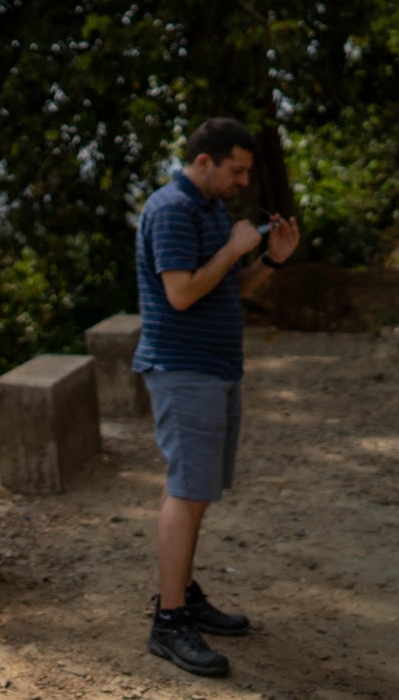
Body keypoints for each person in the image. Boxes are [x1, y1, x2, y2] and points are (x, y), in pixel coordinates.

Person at [132, 118, 300, 677]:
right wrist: (233, 247)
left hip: (215, 370)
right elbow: (181, 294)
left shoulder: (209, 208)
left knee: (194, 491)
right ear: (204, 161)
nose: (243, 181)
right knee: (187, 493)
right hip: (184, 371)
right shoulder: (172, 209)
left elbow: (224, 286)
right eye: (237, 170)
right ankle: (169, 621)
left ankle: (183, 593)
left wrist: (269, 259)